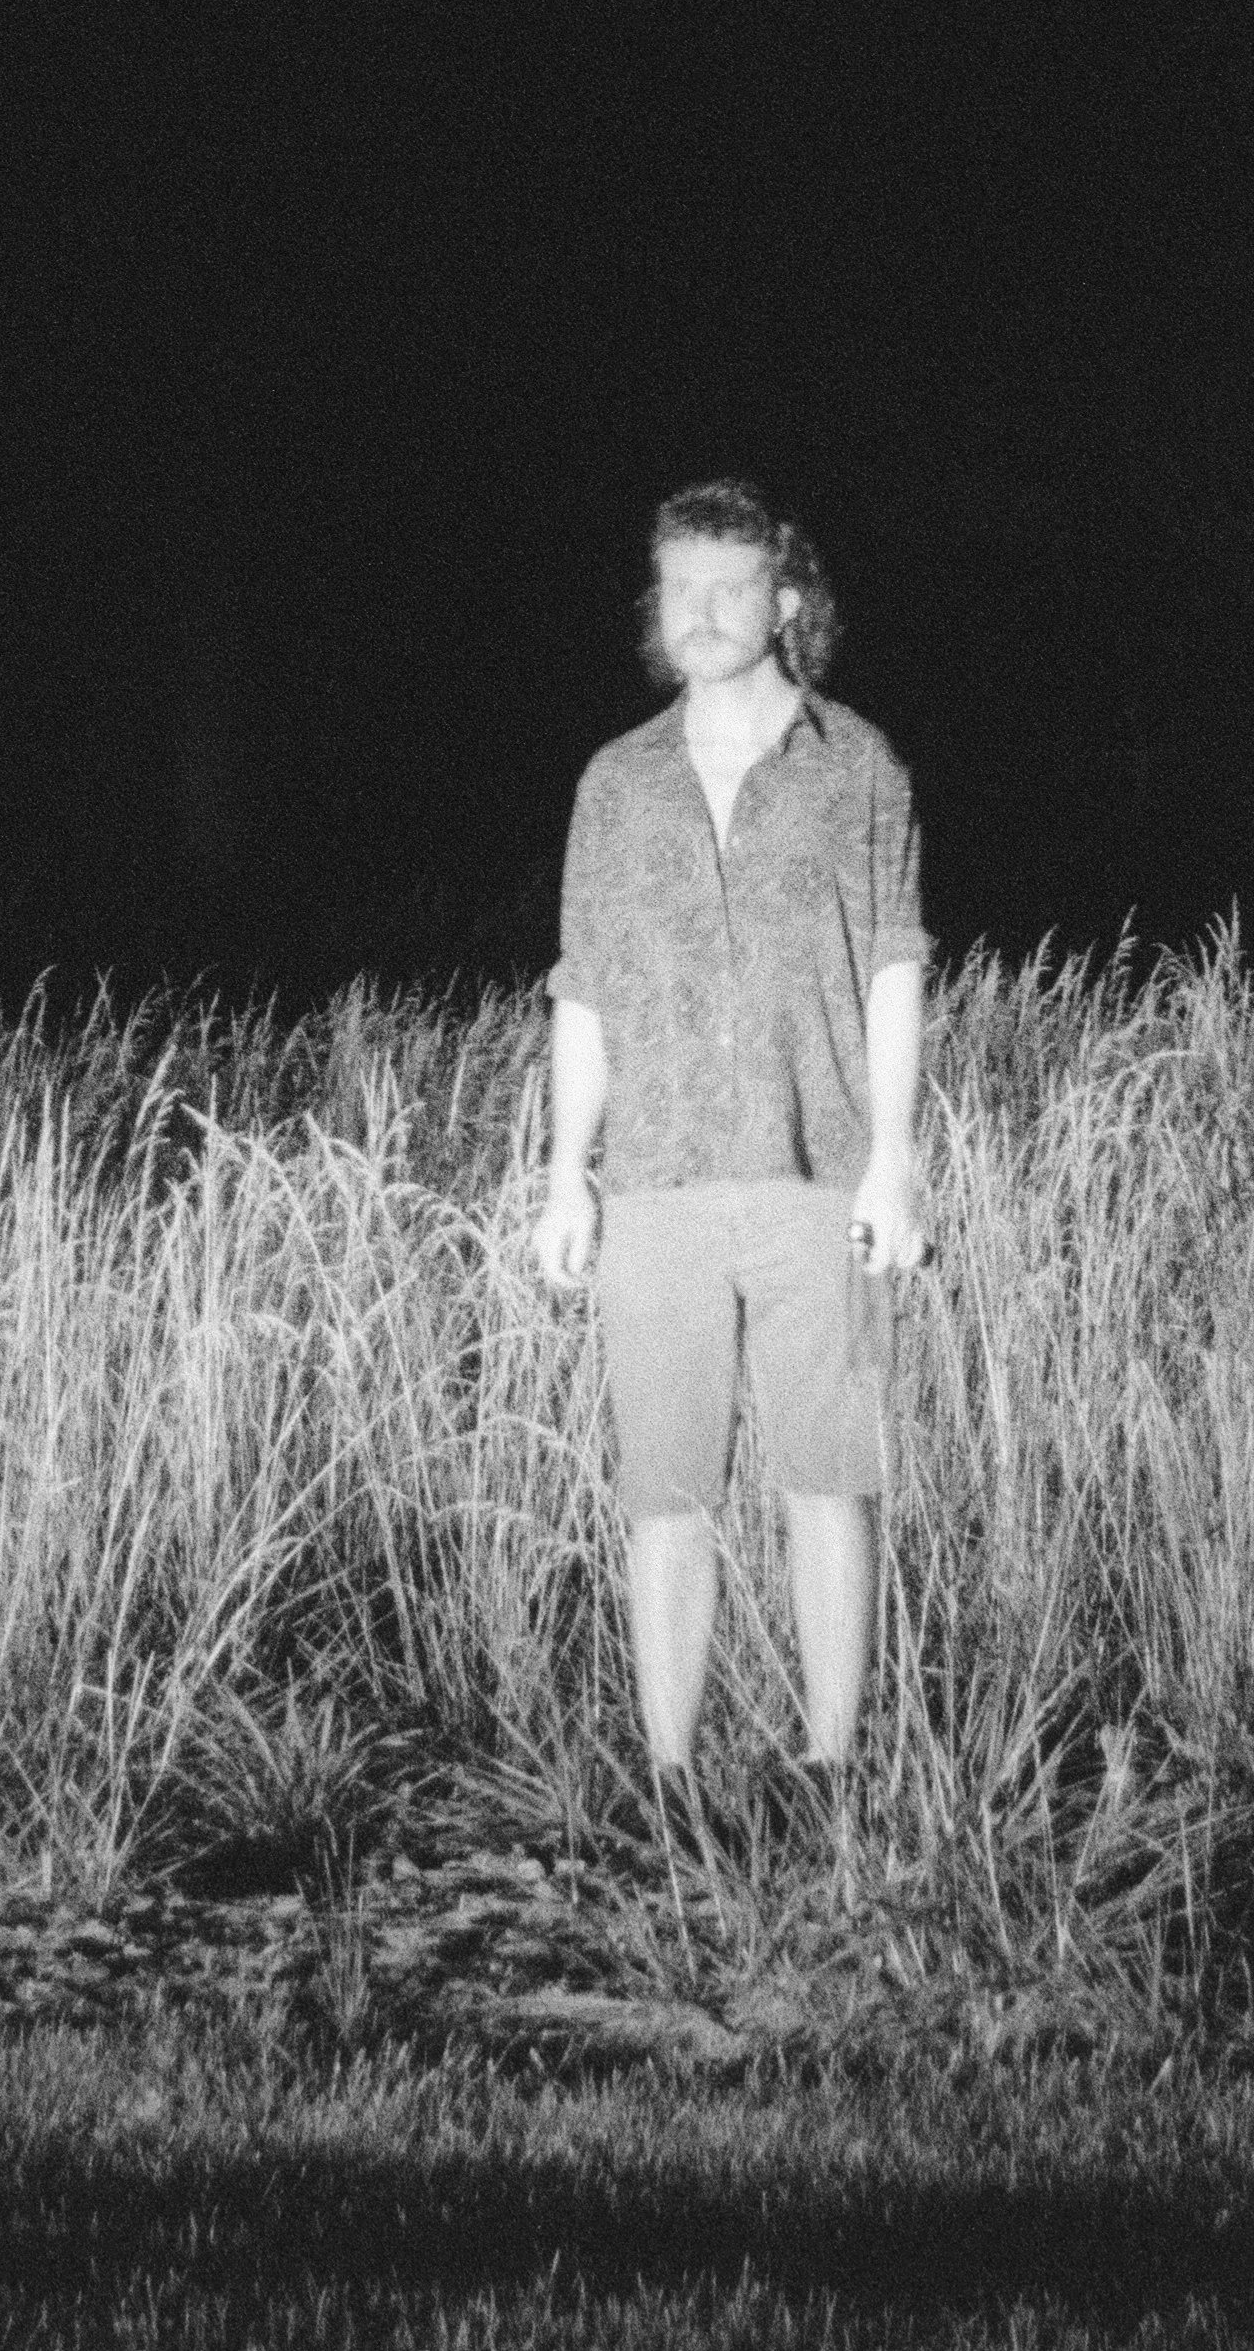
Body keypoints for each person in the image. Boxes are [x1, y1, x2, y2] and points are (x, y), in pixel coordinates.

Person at [529, 477, 931, 1780]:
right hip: (655, 1183)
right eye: (678, 587)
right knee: (665, 1494)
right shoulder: (615, 782)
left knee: (830, 1479)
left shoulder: (858, 766)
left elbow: (893, 968)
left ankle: (832, 1769)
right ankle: (670, 1782)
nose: (698, 612)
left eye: (728, 586)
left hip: (820, 1173)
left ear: (786, 600)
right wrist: (567, 1174)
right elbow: (584, 989)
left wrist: (894, 1162)